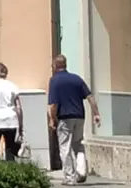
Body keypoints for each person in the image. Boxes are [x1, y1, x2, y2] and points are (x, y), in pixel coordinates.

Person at [48, 55, 100, 185]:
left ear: (55, 66)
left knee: (65, 147)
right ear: (65, 64)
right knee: (78, 143)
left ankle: (69, 177)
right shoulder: (76, 79)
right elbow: (90, 97)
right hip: (79, 116)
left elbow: (53, 105)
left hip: (64, 118)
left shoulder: (54, 81)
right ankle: (81, 171)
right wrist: (96, 113)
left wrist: (52, 119)